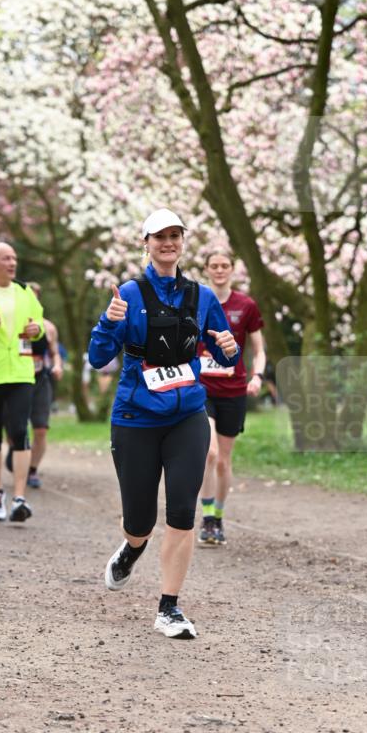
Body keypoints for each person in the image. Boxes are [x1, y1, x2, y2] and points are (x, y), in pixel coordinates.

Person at [88, 208, 240, 639]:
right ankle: (132, 549)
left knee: (181, 512)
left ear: (182, 242)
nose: (168, 243)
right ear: (146, 243)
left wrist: (229, 347)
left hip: (188, 415)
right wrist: (108, 323)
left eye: (175, 235)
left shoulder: (202, 297)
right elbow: (98, 358)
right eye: (160, 237)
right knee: (139, 520)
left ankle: (169, 607)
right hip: (135, 417)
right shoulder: (128, 295)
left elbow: (226, 354)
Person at [198, 249, 266, 547]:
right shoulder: (196, 301)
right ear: (207, 269)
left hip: (234, 389)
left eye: (225, 265)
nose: (220, 270)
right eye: (214, 265)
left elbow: (258, 349)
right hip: (201, 388)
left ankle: (219, 515)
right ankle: (207, 518)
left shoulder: (245, 305)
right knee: (209, 453)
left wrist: (258, 376)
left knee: (224, 462)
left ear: (232, 269)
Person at [0, 241, 44, 521]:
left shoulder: (24, 291)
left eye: (14, 257)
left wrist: (36, 330)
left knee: (19, 430)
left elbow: (37, 323)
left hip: (21, 372)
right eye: (6, 258)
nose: (12, 263)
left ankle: (19, 497)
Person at [26, 314, 64, 488]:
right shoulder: (10, 322)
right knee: (15, 430)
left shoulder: (48, 327)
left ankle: (32, 470)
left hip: (40, 380)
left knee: (41, 429)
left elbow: (55, 353)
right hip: (16, 382)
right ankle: (16, 451)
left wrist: (57, 365)